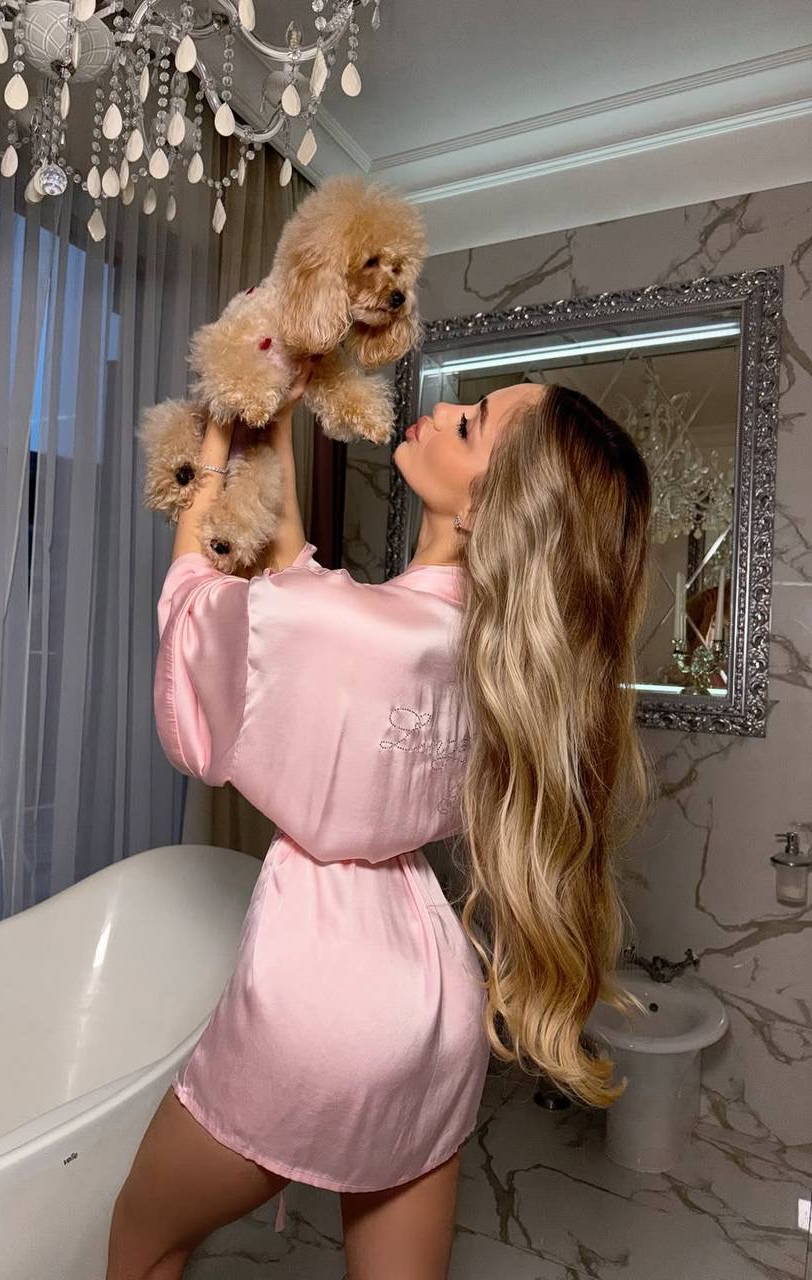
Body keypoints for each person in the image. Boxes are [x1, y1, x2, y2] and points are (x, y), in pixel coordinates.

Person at [106, 374, 656, 1280]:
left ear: (483, 509)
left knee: (145, 1238)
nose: (442, 412)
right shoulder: (492, 655)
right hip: (432, 1005)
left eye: (470, 426)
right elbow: (300, 595)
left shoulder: (354, 630)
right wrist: (277, 432)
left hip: (322, 1003)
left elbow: (200, 615)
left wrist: (213, 452)